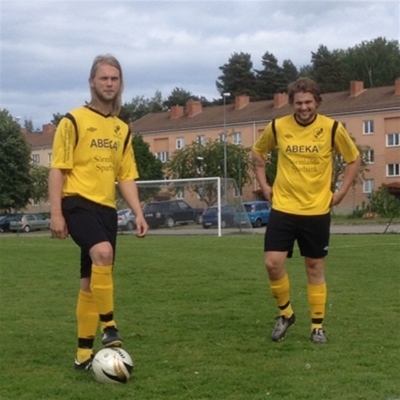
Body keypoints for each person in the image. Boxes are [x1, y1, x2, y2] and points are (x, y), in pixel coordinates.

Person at [49, 54, 148, 370]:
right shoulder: (73, 120)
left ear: (120, 84)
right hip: (77, 202)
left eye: (114, 79)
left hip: (106, 210)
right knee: (103, 253)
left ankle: (82, 355)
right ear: (91, 82)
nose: (109, 83)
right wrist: (56, 213)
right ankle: (109, 326)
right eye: (103, 78)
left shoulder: (122, 128)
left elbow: (126, 176)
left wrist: (138, 212)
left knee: (90, 282)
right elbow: (57, 169)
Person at [252, 77, 361, 344]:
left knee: (314, 267)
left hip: (316, 210)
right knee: (272, 263)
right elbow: (258, 154)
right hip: (284, 207)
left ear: (317, 102)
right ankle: (286, 314)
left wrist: (341, 192)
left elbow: (353, 159)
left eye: (308, 102)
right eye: (299, 103)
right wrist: (264, 186)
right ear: (292, 103)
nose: (303, 107)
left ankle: (317, 326)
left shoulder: (331, 128)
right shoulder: (278, 126)